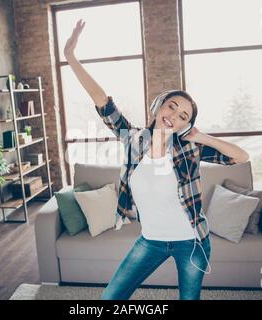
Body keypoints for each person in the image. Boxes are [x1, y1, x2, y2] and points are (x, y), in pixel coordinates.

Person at [64, 19, 250, 300]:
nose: (173, 115)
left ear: (186, 125)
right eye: (171, 106)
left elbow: (240, 157)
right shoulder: (133, 139)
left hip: (192, 242)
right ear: (159, 106)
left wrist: (202, 137)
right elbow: (102, 100)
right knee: (110, 299)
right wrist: (70, 56)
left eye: (183, 116)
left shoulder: (189, 149)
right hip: (151, 241)